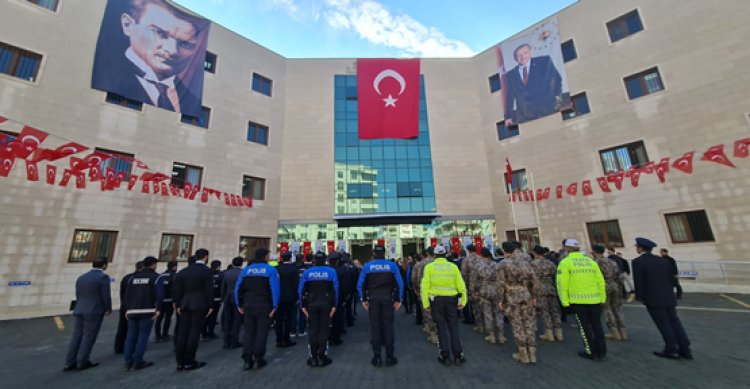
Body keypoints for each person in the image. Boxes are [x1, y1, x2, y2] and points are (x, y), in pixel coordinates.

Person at [92, 0, 207, 115]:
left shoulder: (191, 101)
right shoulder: (103, 74)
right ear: (128, 24)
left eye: (185, 44)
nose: (172, 50)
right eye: (159, 32)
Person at [633, 238, 692, 360]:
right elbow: (671, 279)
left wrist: (640, 296)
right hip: (668, 296)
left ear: (640, 248)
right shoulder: (663, 261)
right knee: (675, 322)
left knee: (663, 324)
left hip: (653, 298)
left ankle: (671, 349)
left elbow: (639, 282)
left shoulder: (638, 262)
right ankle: (685, 348)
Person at [557, 239, 607, 361]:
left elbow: (561, 284)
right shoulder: (591, 262)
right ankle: (601, 350)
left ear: (567, 249)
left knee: (584, 327)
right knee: (597, 325)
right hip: (595, 299)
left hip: (578, 301)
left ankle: (590, 351)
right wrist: (602, 297)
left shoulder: (565, 262)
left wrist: (564, 301)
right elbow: (600, 281)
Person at [357, 246, 404, 367]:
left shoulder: (367, 266)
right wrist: (399, 299)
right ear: (384, 253)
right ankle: (389, 357)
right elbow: (400, 283)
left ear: (373, 253)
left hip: (373, 300)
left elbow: (360, 284)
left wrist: (363, 300)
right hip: (388, 299)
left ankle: (377, 357)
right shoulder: (392, 266)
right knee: (388, 328)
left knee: (375, 328)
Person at [421, 245, 467, 367]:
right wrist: (463, 301)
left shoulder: (429, 267)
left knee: (441, 328)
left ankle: (445, 356)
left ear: (435, 255)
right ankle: (458, 355)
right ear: (446, 254)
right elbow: (461, 285)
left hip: (436, 302)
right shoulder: (453, 267)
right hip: (452, 300)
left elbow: (424, 287)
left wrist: (426, 304)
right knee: (453, 327)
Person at [64, 257, 112, 372]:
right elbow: (105, 295)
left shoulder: (82, 277)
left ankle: (70, 362)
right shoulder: (103, 277)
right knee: (88, 336)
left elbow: (78, 294)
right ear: (104, 265)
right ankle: (82, 361)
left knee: (77, 336)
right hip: (94, 310)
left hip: (80, 309)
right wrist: (108, 308)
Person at [234, 248, 280, 370]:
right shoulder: (271, 270)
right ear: (265, 257)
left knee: (249, 333)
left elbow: (238, 288)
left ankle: (247, 360)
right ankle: (258, 359)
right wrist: (274, 306)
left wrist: (239, 304)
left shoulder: (246, 270)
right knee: (261, 333)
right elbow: (274, 290)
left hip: (248, 305)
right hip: (263, 305)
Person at [497, 242, 540, 364]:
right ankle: (533, 354)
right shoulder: (526, 263)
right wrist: (534, 295)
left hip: (511, 296)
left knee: (517, 325)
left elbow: (500, 284)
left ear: (504, 251)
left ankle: (523, 354)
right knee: (529, 324)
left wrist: (501, 300)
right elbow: (534, 281)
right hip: (526, 295)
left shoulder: (503, 264)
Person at [172, 248, 214, 371]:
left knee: (183, 332)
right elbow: (209, 290)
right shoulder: (206, 271)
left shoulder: (183, 271)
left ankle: (180, 362)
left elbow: (177, 290)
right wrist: (211, 305)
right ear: (206, 257)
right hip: (199, 304)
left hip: (185, 304)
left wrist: (178, 304)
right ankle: (190, 360)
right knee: (194, 333)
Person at [503, 42, 564, 126]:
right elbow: (509, 97)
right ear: (515, 58)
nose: (522, 57)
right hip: (525, 116)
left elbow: (556, 79)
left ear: (530, 52)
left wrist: (557, 98)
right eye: (519, 55)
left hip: (548, 109)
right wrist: (508, 117)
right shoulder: (510, 75)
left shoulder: (544, 61)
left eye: (525, 53)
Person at [299, 252, 338, 367]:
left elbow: (301, 290)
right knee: (324, 330)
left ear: (314, 260)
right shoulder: (331, 272)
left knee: (312, 330)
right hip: (326, 305)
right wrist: (334, 306)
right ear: (325, 260)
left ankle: (313, 357)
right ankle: (322, 356)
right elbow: (335, 290)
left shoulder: (307, 272)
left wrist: (302, 306)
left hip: (311, 305)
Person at [122, 256, 162, 371]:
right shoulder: (156, 277)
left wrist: (126, 309)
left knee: (130, 336)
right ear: (153, 265)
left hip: (132, 310)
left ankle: (128, 361)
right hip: (147, 310)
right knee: (142, 337)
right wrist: (158, 309)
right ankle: (138, 360)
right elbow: (159, 295)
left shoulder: (132, 278)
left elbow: (126, 295)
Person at [592, 245, 627, 341]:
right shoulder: (612, 261)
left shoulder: (596, 263)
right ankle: (623, 332)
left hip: (605, 286)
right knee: (617, 308)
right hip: (615, 285)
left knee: (607, 309)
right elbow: (619, 276)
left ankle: (614, 332)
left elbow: (595, 277)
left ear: (594, 252)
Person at [530, 245, 562, 342]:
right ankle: (559, 333)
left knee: (545, 312)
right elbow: (556, 275)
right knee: (555, 311)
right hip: (550, 288)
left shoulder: (533, 264)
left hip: (539, 289)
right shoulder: (550, 263)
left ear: (535, 253)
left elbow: (530, 278)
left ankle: (549, 334)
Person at [475, 247, 506, 344]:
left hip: (484, 290)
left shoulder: (478, 265)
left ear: (481, 255)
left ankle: (491, 335)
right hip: (496, 289)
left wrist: (474, 291)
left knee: (487, 314)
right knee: (498, 313)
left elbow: (474, 280)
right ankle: (501, 335)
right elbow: (502, 278)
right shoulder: (496, 264)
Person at [115, 261, 143, 354]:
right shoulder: (141, 278)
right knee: (135, 328)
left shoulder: (127, 277)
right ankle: (132, 347)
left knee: (122, 327)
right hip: (136, 306)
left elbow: (122, 292)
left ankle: (119, 346)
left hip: (125, 306)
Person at [412, 247, 437, 344]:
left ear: (427, 253)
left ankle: (431, 331)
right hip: (438, 290)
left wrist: (416, 288)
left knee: (427, 310)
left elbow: (416, 277)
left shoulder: (421, 263)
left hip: (425, 289)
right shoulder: (439, 263)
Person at [274, 251, 299, 348]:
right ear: (289, 258)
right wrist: (297, 297)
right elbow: (295, 284)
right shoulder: (293, 269)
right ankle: (286, 338)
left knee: (278, 319)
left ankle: (279, 339)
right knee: (288, 319)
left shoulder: (276, 268)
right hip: (290, 297)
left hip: (278, 297)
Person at [221, 257, 244, 350]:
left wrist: (223, 298)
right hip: (238, 298)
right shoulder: (242, 273)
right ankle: (234, 341)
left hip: (227, 298)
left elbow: (223, 287)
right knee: (236, 320)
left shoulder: (226, 273)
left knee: (227, 320)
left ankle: (226, 341)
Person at [328, 252, 350, 346]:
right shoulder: (342, 270)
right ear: (338, 260)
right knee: (337, 318)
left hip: (327, 298)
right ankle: (336, 337)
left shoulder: (326, 270)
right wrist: (345, 297)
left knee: (328, 318)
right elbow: (345, 285)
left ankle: (329, 336)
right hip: (339, 298)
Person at [154, 260, 177, 343]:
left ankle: (157, 335)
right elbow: (175, 289)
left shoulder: (160, 275)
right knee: (168, 318)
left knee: (159, 318)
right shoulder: (174, 275)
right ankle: (165, 334)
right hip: (169, 300)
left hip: (161, 300)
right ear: (174, 267)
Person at [460, 244, 480, 330]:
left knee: (471, 303)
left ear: (468, 250)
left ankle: (471, 319)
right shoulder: (481, 258)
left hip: (471, 283)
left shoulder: (466, 260)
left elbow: (463, 273)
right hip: (481, 283)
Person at [202, 259, 222, 340]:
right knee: (213, 317)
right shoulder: (220, 275)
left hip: (206, 298)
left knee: (205, 316)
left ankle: (204, 332)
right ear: (218, 266)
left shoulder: (207, 273)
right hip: (216, 299)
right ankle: (210, 332)